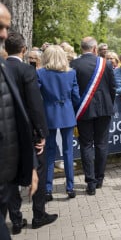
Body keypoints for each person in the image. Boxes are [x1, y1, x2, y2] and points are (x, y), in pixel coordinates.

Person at [5, 32, 58, 233]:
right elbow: (35, 105)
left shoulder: (2, 69)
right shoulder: (27, 70)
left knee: (10, 177)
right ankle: (39, 214)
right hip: (28, 132)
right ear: (24, 50)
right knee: (40, 172)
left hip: (7, 134)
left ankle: (16, 220)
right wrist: (42, 133)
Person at [0, 2, 37, 240]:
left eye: (6, 28)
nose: (4, 34)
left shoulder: (4, 67)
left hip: (6, 179)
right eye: (0, 27)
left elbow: (16, 118)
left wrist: (30, 164)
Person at [71, 37, 116, 195]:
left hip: (84, 111)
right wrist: (109, 104)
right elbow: (113, 88)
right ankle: (99, 179)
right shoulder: (106, 63)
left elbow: (73, 91)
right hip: (104, 109)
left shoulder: (74, 64)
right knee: (102, 144)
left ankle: (90, 182)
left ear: (82, 48)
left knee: (86, 145)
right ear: (95, 49)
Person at [37, 45, 80, 201]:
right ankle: (70, 187)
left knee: (49, 152)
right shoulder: (71, 73)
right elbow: (76, 96)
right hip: (67, 113)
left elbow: (37, 96)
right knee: (68, 152)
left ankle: (48, 189)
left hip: (49, 115)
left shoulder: (40, 73)